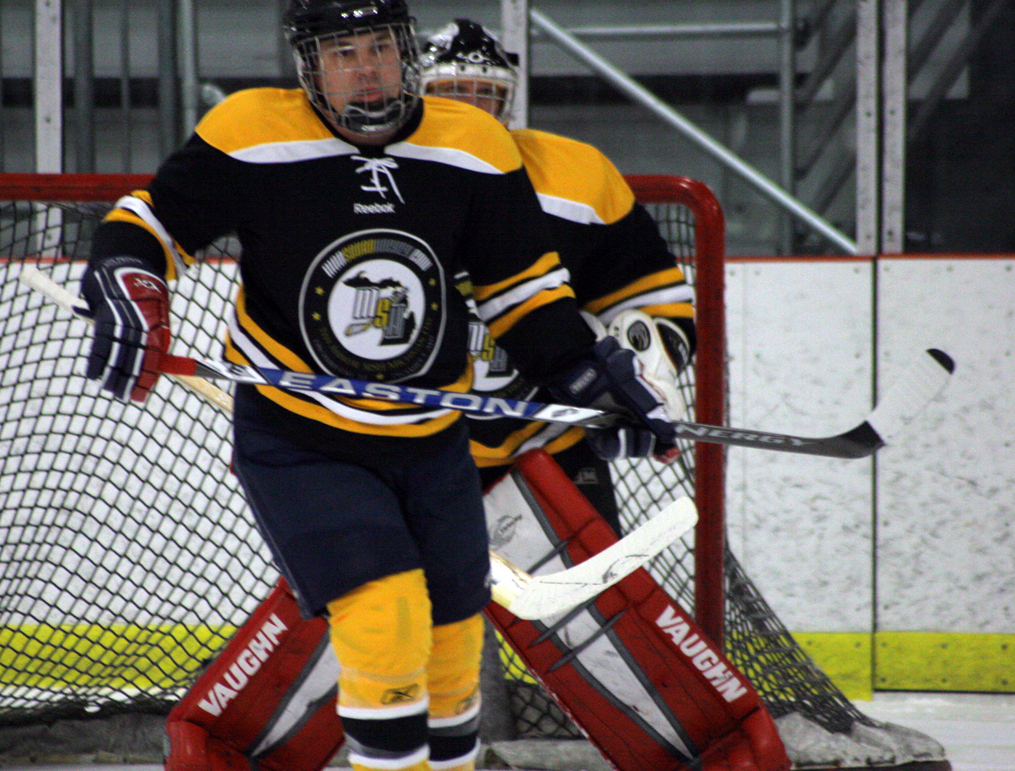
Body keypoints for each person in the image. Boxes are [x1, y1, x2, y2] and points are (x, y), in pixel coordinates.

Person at [77, 3, 676, 771]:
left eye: (380, 49)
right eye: (342, 53)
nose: (366, 70)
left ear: (407, 54)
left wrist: (587, 377)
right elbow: (150, 224)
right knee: (385, 621)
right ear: (309, 67)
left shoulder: (472, 144)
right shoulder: (251, 132)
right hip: (302, 437)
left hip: (432, 444)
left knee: (452, 650)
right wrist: (130, 276)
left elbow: (521, 294)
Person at [418, 19, 697, 534]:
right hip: (406, 450)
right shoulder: (369, 182)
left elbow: (657, 305)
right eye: (452, 94)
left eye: (486, 94)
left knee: (602, 590)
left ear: (509, 101)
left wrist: (633, 386)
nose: (471, 111)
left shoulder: (576, 176)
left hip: (551, 443)